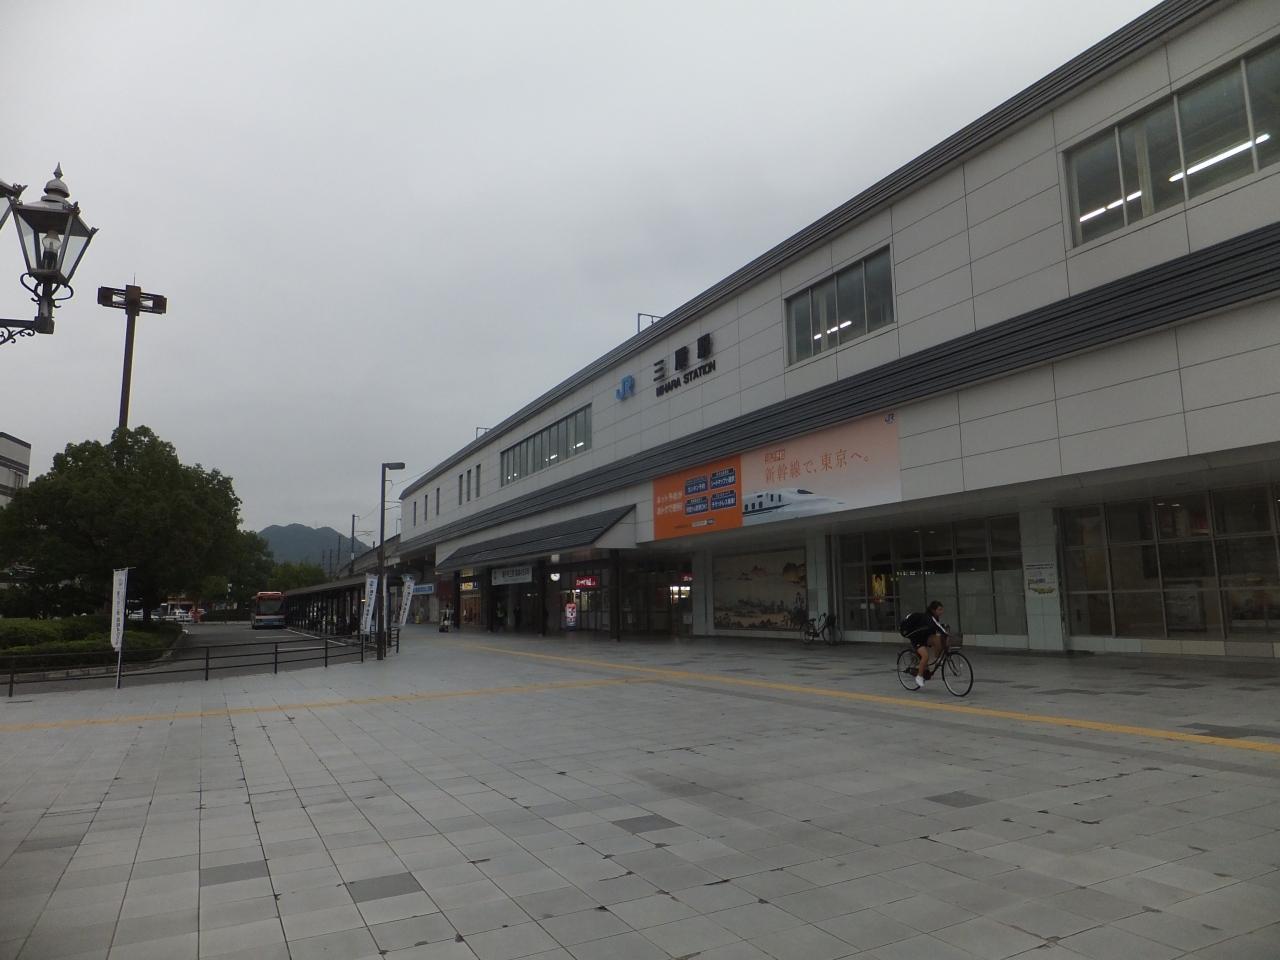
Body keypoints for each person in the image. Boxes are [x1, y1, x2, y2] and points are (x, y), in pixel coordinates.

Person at [904, 600, 948, 690]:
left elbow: (936, 627)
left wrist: (944, 630)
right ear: (933, 610)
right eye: (939, 610)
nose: (942, 612)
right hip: (917, 639)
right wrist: (946, 633)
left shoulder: (934, 618)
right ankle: (919, 677)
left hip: (925, 637)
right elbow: (938, 626)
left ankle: (938, 659)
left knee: (937, 639)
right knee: (925, 656)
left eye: (942, 609)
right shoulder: (928, 617)